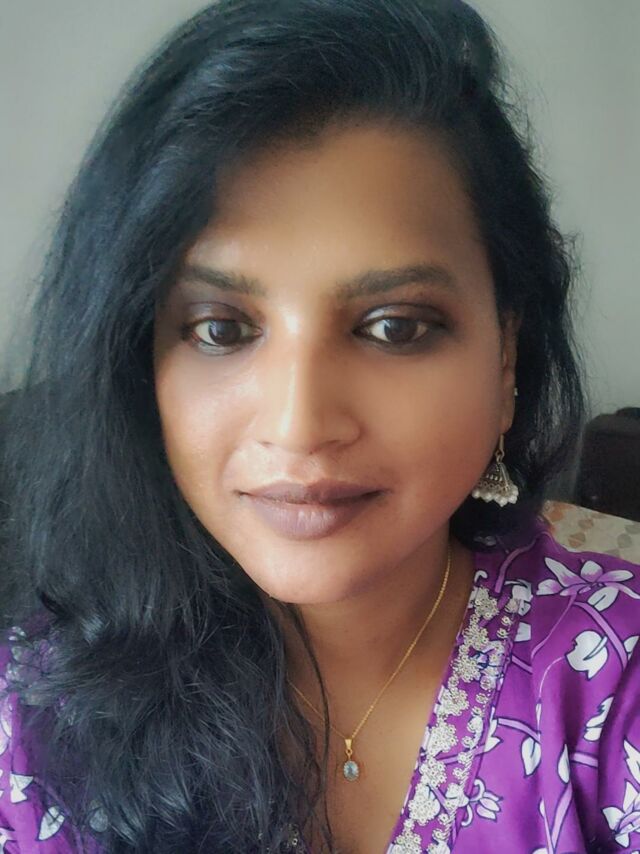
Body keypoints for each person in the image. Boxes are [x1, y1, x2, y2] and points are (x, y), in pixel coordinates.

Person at [0, 0, 638, 851]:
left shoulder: (612, 677)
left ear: (505, 357)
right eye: (220, 329)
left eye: (395, 327)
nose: (299, 426)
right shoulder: (37, 717)